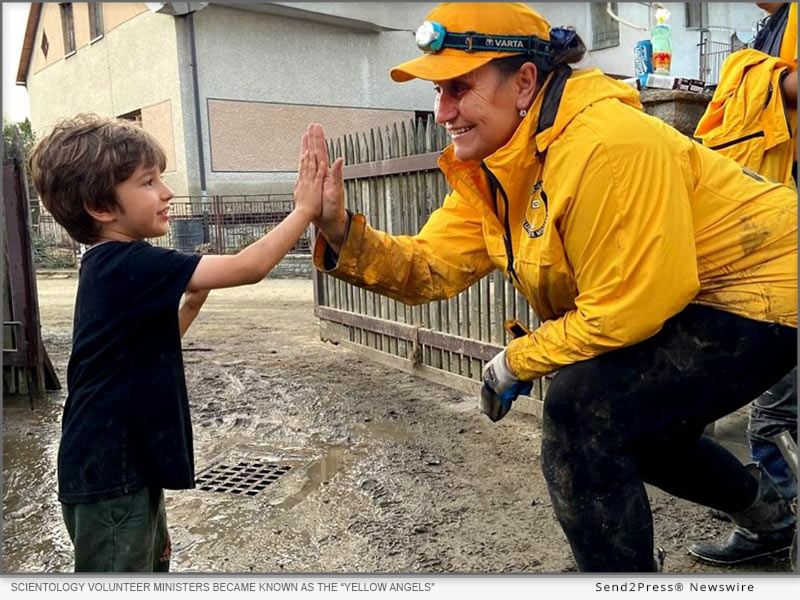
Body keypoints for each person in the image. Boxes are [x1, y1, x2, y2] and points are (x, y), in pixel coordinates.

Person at [306, 2, 797, 572]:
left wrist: (518, 359)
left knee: (583, 412)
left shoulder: (606, 146)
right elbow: (431, 266)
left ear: (526, 82)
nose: (442, 111)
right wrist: (343, 234)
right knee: (637, 426)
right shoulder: (504, 164)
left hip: (767, 286)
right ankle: (772, 518)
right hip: (693, 291)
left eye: (459, 87)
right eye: (437, 91)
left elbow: (628, 308)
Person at [27, 114, 325, 572]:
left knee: (147, 565)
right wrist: (304, 210)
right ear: (100, 206)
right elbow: (249, 267)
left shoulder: (107, 264)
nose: (166, 192)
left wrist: (187, 306)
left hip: (119, 461)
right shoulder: (128, 262)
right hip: (111, 470)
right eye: (148, 181)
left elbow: (135, 351)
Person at [688, 2, 797, 566]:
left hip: (790, 241)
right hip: (777, 231)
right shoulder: (772, 25)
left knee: (778, 410)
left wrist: (766, 78)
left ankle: (777, 527)